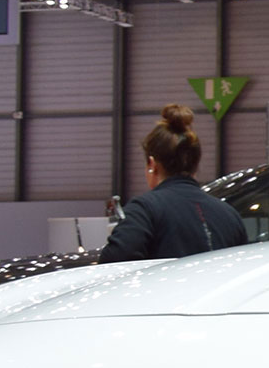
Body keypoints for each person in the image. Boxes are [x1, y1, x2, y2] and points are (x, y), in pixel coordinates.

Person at [100, 105, 245, 262]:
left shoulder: (144, 210)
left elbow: (113, 263)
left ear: (152, 164)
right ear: (195, 164)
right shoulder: (230, 215)